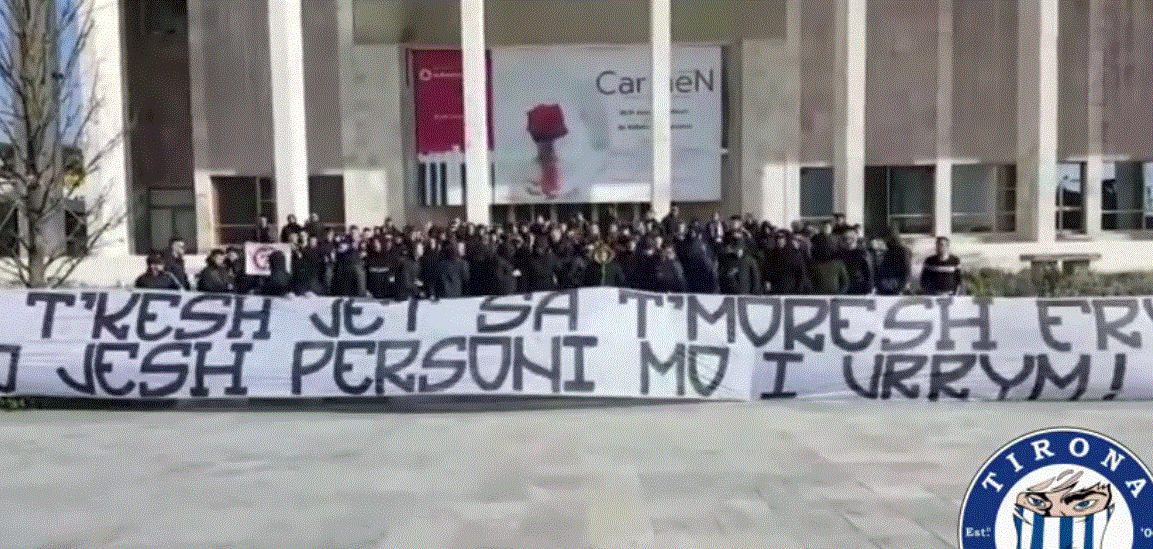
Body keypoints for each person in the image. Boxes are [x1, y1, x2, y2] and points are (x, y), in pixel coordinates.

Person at [874, 229, 911, 295]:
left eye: (883, 239)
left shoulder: (901, 251)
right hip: (887, 287)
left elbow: (905, 272)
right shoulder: (886, 252)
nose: (883, 241)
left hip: (895, 287)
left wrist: (900, 288)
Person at [839, 226, 873, 295]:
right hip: (846, 288)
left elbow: (869, 272)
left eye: (847, 239)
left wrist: (869, 288)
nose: (845, 241)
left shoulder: (863, 253)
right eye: (844, 239)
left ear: (853, 239)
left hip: (859, 287)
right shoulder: (841, 254)